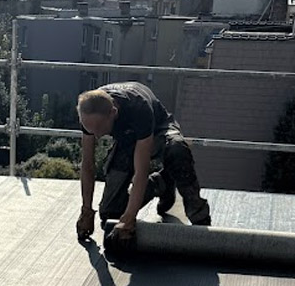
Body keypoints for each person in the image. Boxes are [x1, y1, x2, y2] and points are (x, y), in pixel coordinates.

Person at [74, 82, 211, 249]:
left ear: (113, 113)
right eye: (90, 129)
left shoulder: (139, 108)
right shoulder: (90, 110)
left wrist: (130, 218)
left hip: (157, 129)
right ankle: (161, 184)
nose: (95, 135)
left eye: (99, 128)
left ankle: (199, 215)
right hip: (127, 138)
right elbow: (88, 164)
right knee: (111, 215)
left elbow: (141, 170)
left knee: (176, 150)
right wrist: (86, 210)